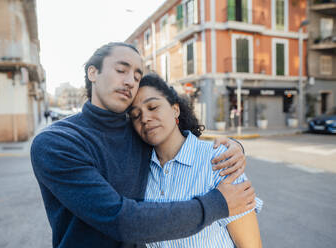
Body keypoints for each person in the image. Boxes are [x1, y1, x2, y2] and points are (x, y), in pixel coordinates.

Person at [30, 42, 255, 248]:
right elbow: (121, 220)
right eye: (121, 70)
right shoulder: (56, 142)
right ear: (93, 72)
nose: (130, 81)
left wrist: (233, 147)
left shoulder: (140, 134)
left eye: (137, 76)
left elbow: (175, 139)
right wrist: (217, 204)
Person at [129, 73, 262, 247]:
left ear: (175, 109)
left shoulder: (218, 161)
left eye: (153, 107)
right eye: (135, 115)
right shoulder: (138, 171)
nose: (144, 118)